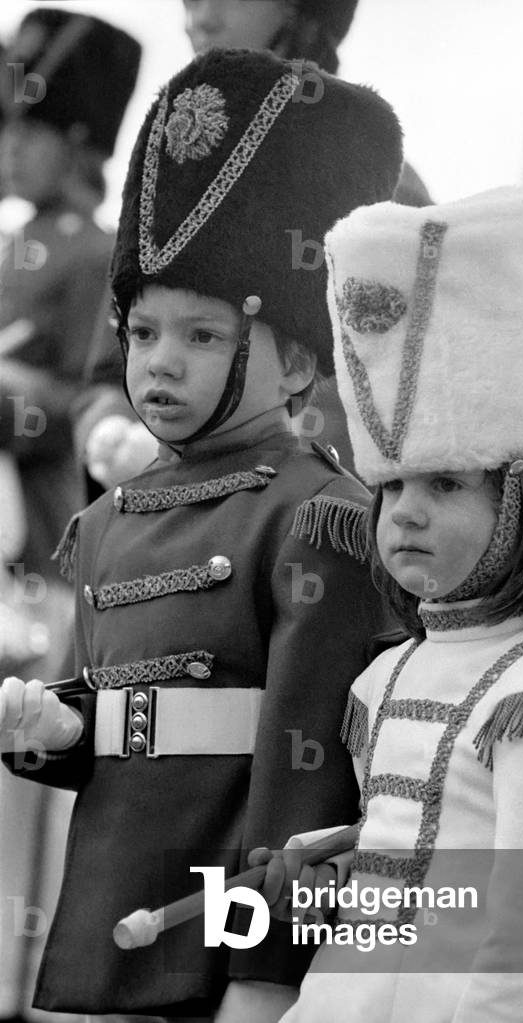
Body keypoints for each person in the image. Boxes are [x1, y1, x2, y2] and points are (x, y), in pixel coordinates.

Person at [0, 47, 402, 1023]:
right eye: (142, 334)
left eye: (204, 336)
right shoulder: (102, 522)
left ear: (299, 354)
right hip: (102, 929)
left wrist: (263, 975)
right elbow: (115, 718)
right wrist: (56, 730)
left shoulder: (319, 516)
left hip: (215, 960)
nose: (160, 365)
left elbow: (305, 776)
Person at [251, 183, 523, 1023]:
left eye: (447, 483)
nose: (407, 512)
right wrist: (331, 864)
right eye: (391, 487)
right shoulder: (383, 674)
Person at [78, 0, 433, 497]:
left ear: (296, 9)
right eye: (187, 0)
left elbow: (399, 400)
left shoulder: (380, 186)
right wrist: (111, 441)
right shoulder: (170, 164)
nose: (198, 18)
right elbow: (109, 372)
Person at [0, 13, 141, 1023]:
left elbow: (89, 411)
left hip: (44, 566)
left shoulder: (97, 254)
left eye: (28, 123)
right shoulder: (15, 245)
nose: (9, 142)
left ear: (85, 139)